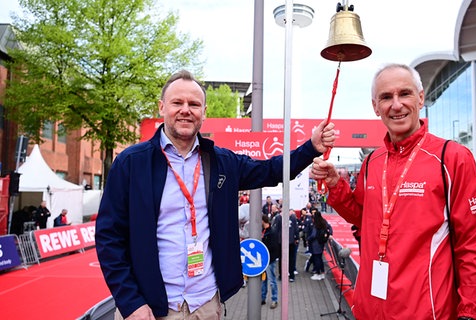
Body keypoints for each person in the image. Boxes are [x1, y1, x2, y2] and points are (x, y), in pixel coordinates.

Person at [95, 69, 336, 319]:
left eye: (194, 104)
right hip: (148, 309)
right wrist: (130, 302)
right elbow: (108, 237)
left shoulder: (221, 162)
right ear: (162, 108)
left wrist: (311, 148)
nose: (186, 109)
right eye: (177, 102)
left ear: (204, 112)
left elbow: (270, 170)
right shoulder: (131, 163)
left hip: (206, 306)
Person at [310, 63, 476, 320]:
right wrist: (334, 184)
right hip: (370, 309)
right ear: (376, 107)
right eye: (386, 97)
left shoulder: (452, 158)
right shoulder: (372, 161)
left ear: (420, 98)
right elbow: (362, 216)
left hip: (427, 312)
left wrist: (469, 311)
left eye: (404, 93)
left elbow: (474, 243)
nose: (396, 105)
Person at [261, 214, 279, 309]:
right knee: (263, 280)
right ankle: (262, 298)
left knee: (272, 281)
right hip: (264, 260)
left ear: (263, 221)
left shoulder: (272, 232)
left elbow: (273, 246)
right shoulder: (264, 231)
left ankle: (274, 299)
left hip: (270, 259)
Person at [308, 209, 332, 280]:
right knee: (320, 258)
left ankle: (318, 273)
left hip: (316, 243)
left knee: (317, 259)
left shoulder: (316, 224)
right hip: (321, 243)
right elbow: (329, 227)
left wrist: (308, 239)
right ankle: (322, 273)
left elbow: (313, 235)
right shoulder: (323, 222)